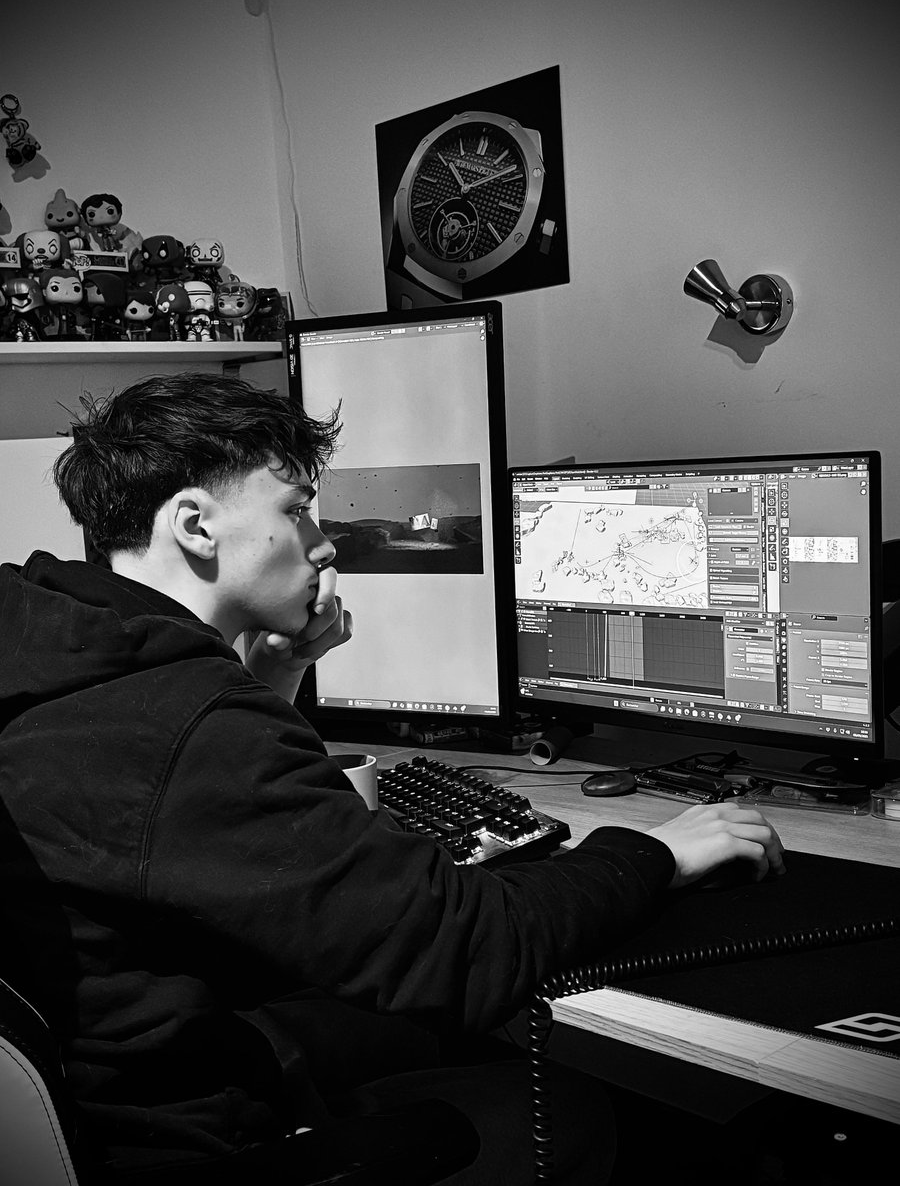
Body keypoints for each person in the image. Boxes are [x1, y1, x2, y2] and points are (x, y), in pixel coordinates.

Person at [0, 373, 785, 1185]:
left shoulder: (56, 646)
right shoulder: (185, 721)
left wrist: (273, 681)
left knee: (414, 1033)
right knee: (572, 1104)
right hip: (191, 1138)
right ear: (196, 525)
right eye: (295, 510)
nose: (325, 544)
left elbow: (194, 837)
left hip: (115, 1075)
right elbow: (468, 951)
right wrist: (657, 854)